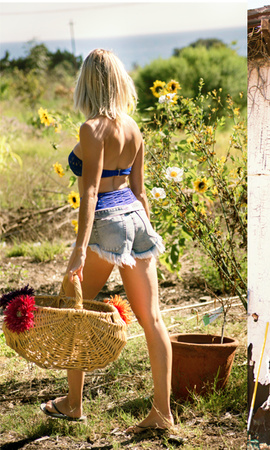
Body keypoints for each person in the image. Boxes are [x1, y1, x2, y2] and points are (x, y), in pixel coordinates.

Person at [39, 49, 174, 433]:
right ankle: (163, 414)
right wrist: (146, 237)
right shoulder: (133, 128)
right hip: (136, 218)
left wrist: (79, 250)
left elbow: (92, 193)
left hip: (106, 224)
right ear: (119, 81)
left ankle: (73, 403)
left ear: (88, 83)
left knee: (74, 311)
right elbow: (140, 192)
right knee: (154, 320)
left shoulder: (91, 128)